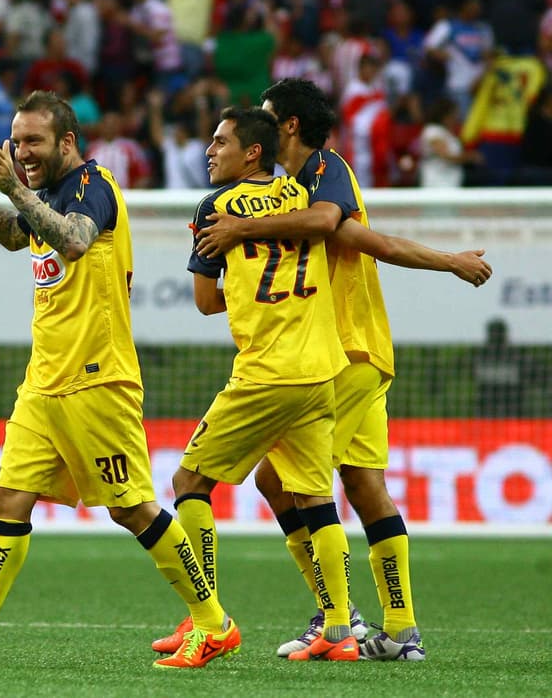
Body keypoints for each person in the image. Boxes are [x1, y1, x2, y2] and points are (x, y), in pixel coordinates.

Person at [0, 91, 227, 669]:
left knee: (133, 509)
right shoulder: (45, 193)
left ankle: (213, 623)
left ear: (66, 142)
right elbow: (16, 234)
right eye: (17, 142)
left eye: (33, 142)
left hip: (97, 378)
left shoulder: (95, 185)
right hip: (45, 381)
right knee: (8, 498)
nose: (22, 152)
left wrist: (13, 187)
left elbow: (73, 241)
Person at [192, 78, 492, 663]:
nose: (258, 120)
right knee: (362, 483)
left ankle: (338, 618)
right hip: (357, 351)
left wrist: (450, 262)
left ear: (290, 127)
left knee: (280, 481)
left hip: (344, 350)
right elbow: (360, 239)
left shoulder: (323, 172)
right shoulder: (286, 190)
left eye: (267, 114)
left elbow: (339, 227)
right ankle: (400, 632)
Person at [174, 106, 355, 665]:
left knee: (189, 484)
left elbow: (206, 303)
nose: (210, 151)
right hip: (319, 371)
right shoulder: (304, 199)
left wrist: (241, 276)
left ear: (252, 152)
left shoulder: (216, 207)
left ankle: (207, 620)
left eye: (220, 142)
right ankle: (339, 628)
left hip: (264, 374)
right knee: (316, 500)